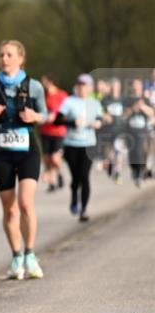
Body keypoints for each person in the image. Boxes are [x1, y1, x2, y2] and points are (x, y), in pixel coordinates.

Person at [0, 40, 48, 281]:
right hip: (1, 150)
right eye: (1, 55)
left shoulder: (34, 86)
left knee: (26, 203)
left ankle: (30, 253)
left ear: (20, 59)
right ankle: (16, 256)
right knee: (9, 209)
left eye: (9, 55)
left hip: (27, 148)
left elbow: (45, 115)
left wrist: (34, 115)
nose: (4, 59)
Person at [54, 74, 104, 222]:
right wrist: (72, 122)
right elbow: (57, 120)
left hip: (88, 144)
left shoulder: (94, 103)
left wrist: (97, 124)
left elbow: (100, 120)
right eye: (80, 85)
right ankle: (74, 196)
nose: (82, 88)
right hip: (71, 145)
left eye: (85, 86)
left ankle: (84, 210)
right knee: (76, 178)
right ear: (77, 87)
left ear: (90, 88)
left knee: (85, 176)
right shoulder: (69, 101)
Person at [39, 74, 68, 193]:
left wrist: (55, 115)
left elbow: (66, 111)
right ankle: (51, 183)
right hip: (45, 131)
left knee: (55, 158)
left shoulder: (62, 95)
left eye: (44, 82)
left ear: (50, 82)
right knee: (46, 159)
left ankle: (60, 173)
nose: (42, 84)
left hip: (58, 131)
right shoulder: (43, 96)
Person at [124, 78, 155, 186]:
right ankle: (134, 170)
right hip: (130, 131)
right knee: (132, 153)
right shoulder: (128, 100)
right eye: (134, 85)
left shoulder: (145, 100)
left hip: (142, 131)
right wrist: (133, 108)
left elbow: (152, 113)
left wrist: (142, 106)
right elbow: (124, 114)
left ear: (141, 87)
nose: (136, 87)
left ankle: (140, 173)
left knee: (140, 152)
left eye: (138, 85)